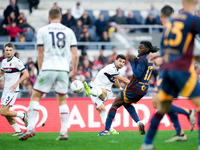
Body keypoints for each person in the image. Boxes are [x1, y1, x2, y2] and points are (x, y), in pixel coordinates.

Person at [141, 0, 200, 149]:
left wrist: (158, 58)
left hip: (168, 70)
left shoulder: (171, 23)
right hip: (182, 70)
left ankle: (147, 144)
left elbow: (167, 50)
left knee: (162, 107)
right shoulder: (193, 20)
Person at [19, 7, 79, 141]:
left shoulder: (43, 30)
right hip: (63, 70)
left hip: (48, 68)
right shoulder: (69, 31)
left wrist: (40, 70)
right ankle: (64, 132)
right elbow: (75, 55)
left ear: (49, 17)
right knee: (62, 100)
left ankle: (30, 129)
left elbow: (40, 53)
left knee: (35, 97)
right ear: (61, 17)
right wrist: (73, 70)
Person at [98, 41, 159, 136]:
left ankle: (106, 131)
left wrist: (131, 61)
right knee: (126, 104)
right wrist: (135, 61)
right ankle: (139, 123)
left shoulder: (142, 58)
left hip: (134, 88)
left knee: (114, 105)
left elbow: (137, 74)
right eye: (138, 48)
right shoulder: (149, 59)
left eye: (141, 48)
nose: (139, 50)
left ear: (147, 49)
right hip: (143, 89)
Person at [83, 54, 130, 135]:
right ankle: (111, 130)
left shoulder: (116, 71)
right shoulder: (110, 68)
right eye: (120, 61)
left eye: (123, 62)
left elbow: (115, 80)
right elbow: (123, 79)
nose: (121, 63)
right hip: (96, 91)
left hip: (105, 92)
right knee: (102, 111)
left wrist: (120, 88)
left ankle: (89, 91)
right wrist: (136, 85)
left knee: (103, 91)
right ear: (115, 60)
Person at [0, 43, 29, 136]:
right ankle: (18, 130)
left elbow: (26, 74)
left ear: (13, 51)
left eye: (10, 50)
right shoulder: (3, 62)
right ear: (4, 51)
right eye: (7, 50)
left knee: (3, 111)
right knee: (5, 113)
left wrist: (17, 83)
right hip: (6, 90)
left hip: (13, 90)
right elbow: (1, 73)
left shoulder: (17, 61)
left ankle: (22, 115)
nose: (8, 52)